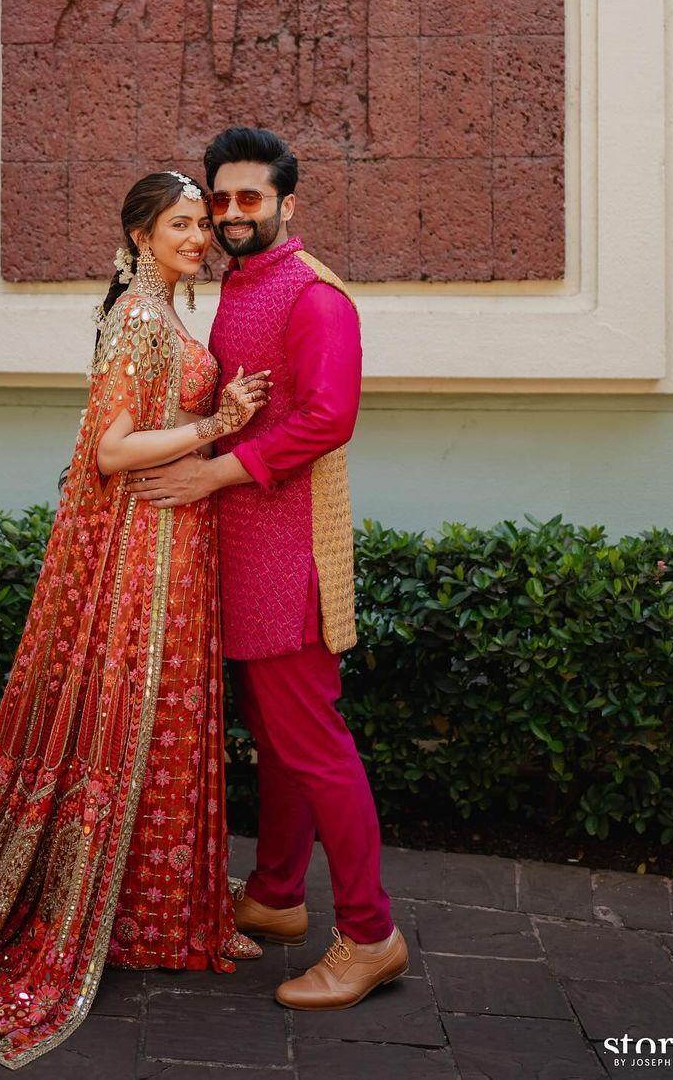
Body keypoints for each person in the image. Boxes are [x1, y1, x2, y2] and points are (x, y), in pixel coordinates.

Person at [0, 170, 270, 1070]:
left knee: (169, 719)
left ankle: (157, 912)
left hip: (177, 546)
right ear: (141, 234)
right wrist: (215, 424)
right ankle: (127, 911)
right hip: (143, 551)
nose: (199, 236)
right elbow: (111, 451)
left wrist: (209, 430)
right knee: (140, 716)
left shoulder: (164, 312)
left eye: (202, 224)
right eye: (181, 223)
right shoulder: (141, 321)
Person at [126, 128, 409, 1010]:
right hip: (243, 549)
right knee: (280, 742)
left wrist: (212, 470)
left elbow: (329, 418)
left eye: (251, 199)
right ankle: (280, 896)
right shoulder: (243, 285)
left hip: (287, 559)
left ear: (289, 202)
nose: (232, 214)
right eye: (221, 199)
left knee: (313, 748)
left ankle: (370, 936)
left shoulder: (316, 298)